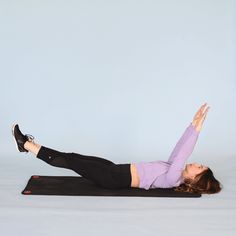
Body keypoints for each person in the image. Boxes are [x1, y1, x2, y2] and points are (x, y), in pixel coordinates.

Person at [12, 103, 222, 194]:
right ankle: (27, 145)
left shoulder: (173, 178)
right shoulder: (172, 168)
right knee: (73, 156)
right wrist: (192, 125)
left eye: (199, 168)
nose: (196, 163)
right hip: (115, 169)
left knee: (70, 162)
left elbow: (183, 155)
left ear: (195, 179)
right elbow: (179, 150)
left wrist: (198, 131)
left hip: (114, 179)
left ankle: (26, 145)